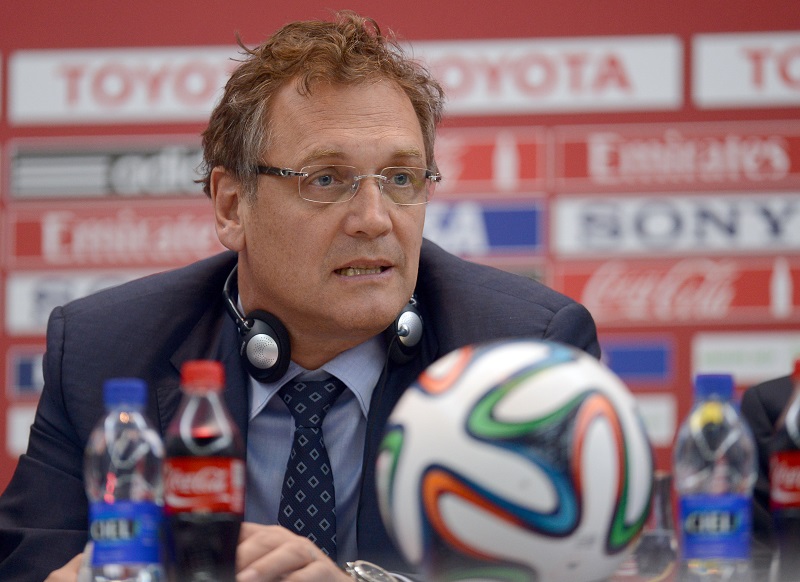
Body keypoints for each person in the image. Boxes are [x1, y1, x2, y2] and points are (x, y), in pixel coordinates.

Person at [0, 11, 600, 582]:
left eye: (400, 178)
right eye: (326, 179)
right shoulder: (106, 351)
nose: (374, 219)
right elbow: (30, 563)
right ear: (232, 206)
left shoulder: (521, 358)